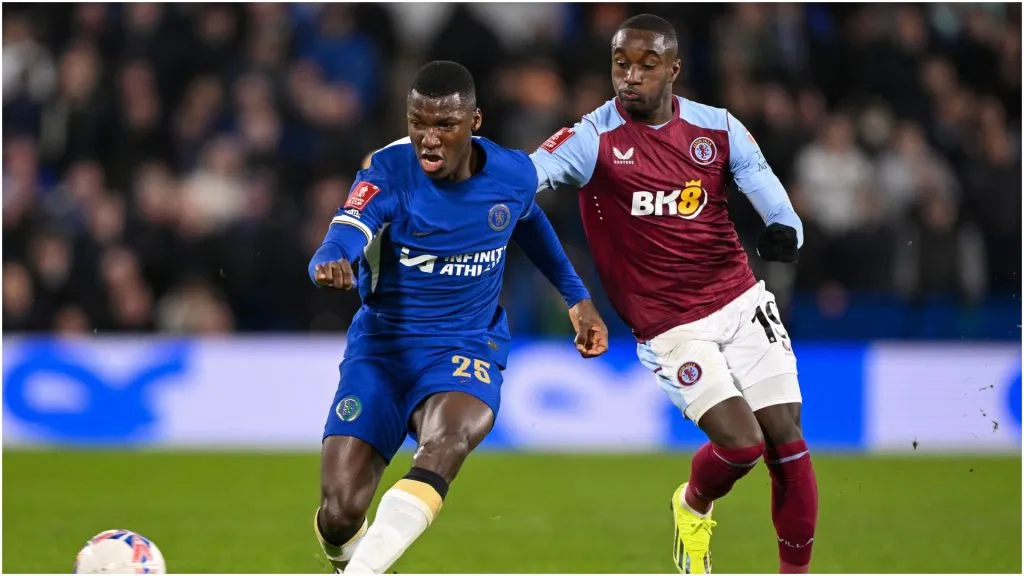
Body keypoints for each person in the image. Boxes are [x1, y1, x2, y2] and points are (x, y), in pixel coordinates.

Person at [530, 14, 817, 575]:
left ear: (674, 70)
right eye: (621, 64)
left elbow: (780, 208)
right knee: (743, 446)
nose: (630, 76)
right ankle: (692, 504)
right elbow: (526, 175)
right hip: (670, 327)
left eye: (647, 65)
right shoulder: (591, 138)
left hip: (739, 300)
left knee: (786, 438)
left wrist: (784, 232)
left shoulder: (719, 129)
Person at [308, 60, 608, 574]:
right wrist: (329, 259)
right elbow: (347, 229)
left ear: (475, 121)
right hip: (383, 349)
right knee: (339, 514)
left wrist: (576, 297)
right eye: (417, 123)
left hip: (466, 345)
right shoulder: (386, 173)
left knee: (446, 442)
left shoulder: (513, 174)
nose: (428, 139)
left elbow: (529, 218)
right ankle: (348, 561)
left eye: (444, 125)